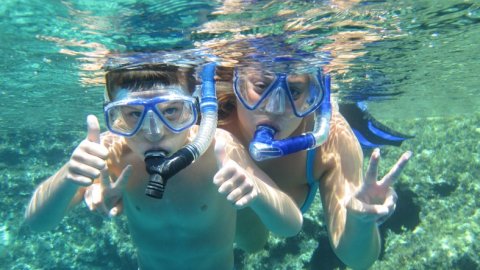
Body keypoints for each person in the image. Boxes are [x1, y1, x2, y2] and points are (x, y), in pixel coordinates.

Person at [24, 58, 303, 270]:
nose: (155, 131)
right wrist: (69, 177)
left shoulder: (218, 147)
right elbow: (37, 222)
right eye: (134, 114)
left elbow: (290, 225)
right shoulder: (111, 151)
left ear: (193, 109)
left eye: (171, 111)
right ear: (115, 115)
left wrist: (256, 190)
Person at [215, 58, 412, 269]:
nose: (276, 107)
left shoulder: (332, 138)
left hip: (272, 218)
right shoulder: (210, 122)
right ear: (238, 84)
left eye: (294, 91)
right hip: (244, 226)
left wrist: (360, 222)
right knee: (253, 244)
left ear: (312, 94)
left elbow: (358, 260)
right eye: (261, 87)